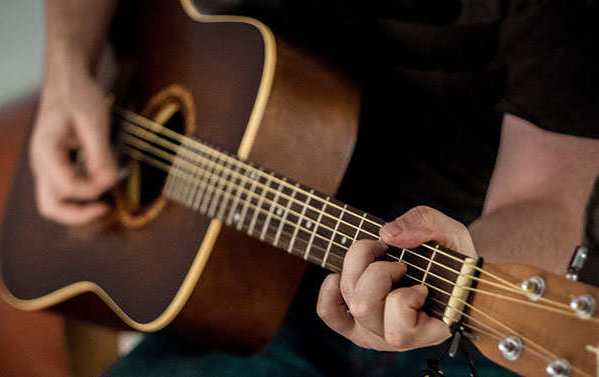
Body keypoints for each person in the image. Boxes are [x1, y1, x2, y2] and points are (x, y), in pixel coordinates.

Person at [30, 0, 599, 375]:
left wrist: (468, 264)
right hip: (243, 306)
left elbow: (547, 197)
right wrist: (66, 66)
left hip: (444, 310)